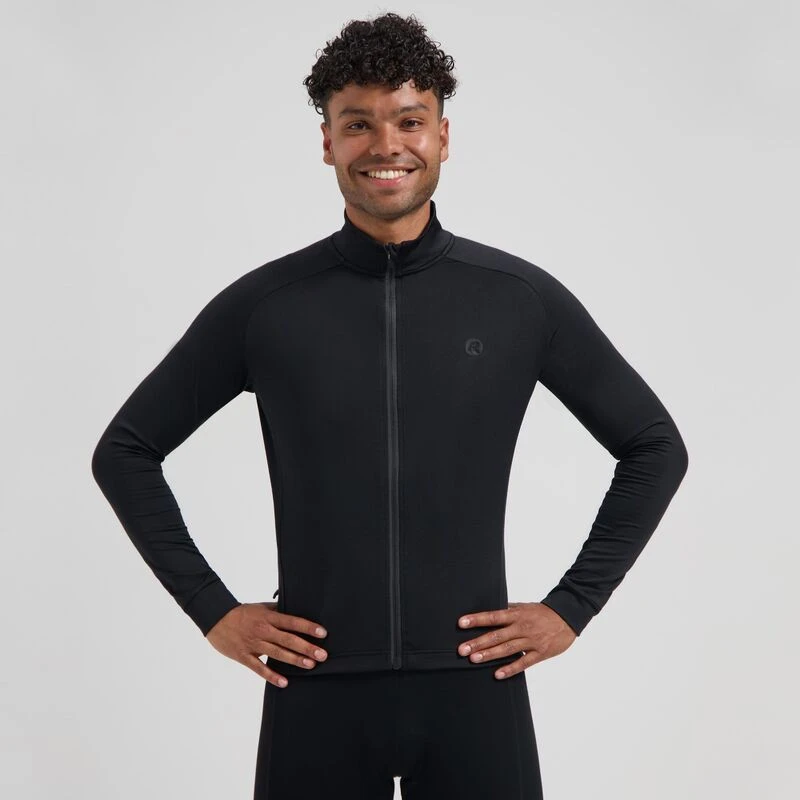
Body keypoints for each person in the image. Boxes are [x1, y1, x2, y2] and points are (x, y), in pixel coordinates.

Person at [91, 12, 688, 799]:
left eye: (409, 121)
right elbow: (126, 451)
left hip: (475, 689)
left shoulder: (517, 300)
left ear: (443, 135)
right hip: (317, 692)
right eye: (357, 124)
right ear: (327, 142)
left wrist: (572, 606)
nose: (385, 145)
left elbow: (653, 445)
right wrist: (212, 608)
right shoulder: (268, 306)